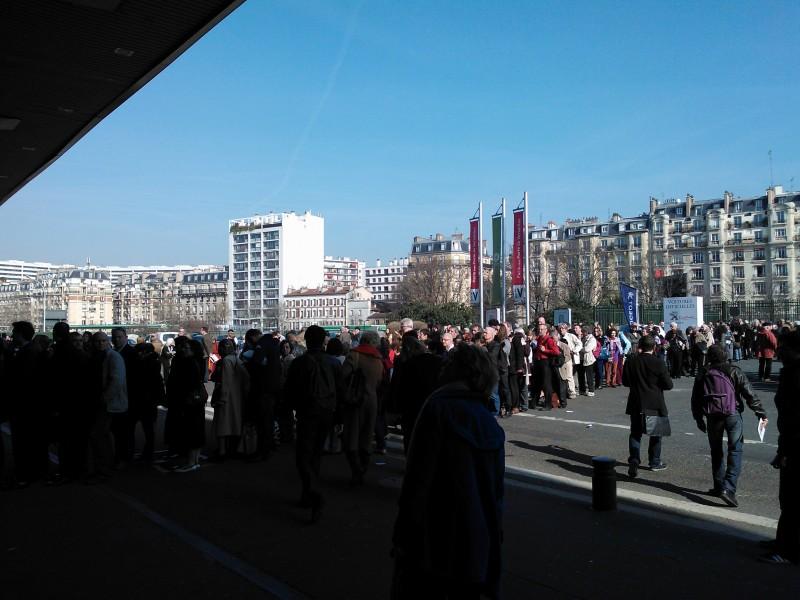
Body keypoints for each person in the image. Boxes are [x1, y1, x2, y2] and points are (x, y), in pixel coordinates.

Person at [391, 344, 504, 599]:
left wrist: (404, 531)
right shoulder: (488, 420)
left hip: (437, 531)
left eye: (449, 363)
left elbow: (418, 477)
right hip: (479, 532)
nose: (442, 367)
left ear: (461, 371)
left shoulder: (437, 408)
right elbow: (497, 488)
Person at [691, 344, 767, 507]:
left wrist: (698, 418)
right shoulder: (734, 370)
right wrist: (760, 413)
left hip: (712, 416)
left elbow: (695, 399)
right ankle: (729, 488)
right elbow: (750, 394)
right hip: (732, 414)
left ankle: (719, 486)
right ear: (725, 355)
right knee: (736, 450)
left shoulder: (703, 372)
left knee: (716, 451)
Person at [285, 325, 341, 522]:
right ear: (323, 340)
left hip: (307, 412)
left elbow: (290, 390)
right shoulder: (334, 362)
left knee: (303, 455)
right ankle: (307, 494)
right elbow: (340, 389)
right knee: (316, 453)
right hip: (327, 412)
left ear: (307, 340)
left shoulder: (300, 363)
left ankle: (312, 493)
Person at [761, 329, 800, 564]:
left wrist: (785, 451)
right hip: (790, 441)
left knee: (792, 499)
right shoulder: (791, 372)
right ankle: (783, 541)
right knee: (788, 499)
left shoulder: (795, 375)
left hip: (795, 445)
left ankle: (788, 550)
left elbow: (795, 417)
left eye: (783, 347)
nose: (778, 351)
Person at [622, 335, 673, 477]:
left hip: (636, 401)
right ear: (654, 347)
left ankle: (634, 459)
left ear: (640, 347)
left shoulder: (631, 361)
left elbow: (625, 381)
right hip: (654, 402)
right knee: (656, 434)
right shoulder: (658, 362)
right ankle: (654, 461)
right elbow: (668, 385)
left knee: (635, 433)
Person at [341, 330, 385, 485]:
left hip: (355, 400)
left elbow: (343, 375)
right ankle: (363, 468)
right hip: (372, 400)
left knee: (351, 435)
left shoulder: (355, 355)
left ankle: (356, 470)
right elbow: (380, 381)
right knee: (366, 436)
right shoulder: (379, 359)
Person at [166, 336, 207, 471]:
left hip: (190, 401)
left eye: (187, 347)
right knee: (196, 430)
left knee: (192, 430)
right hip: (196, 401)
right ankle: (194, 460)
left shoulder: (188, 363)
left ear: (193, 350)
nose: (183, 349)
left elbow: (188, 384)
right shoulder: (194, 361)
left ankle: (191, 462)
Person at [210, 338, 250, 461]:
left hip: (227, 398)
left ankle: (222, 452)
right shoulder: (237, 359)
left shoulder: (226, 361)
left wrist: (222, 397)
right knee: (234, 424)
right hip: (237, 397)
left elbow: (225, 381)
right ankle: (233, 449)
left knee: (223, 425)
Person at [529, 321, 560, 410]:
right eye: (539, 329)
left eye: (542, 329)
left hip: (546, 363)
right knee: (536, 383)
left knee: (546, 385)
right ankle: (534, 402)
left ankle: (548, 404)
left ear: (546, 330)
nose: (540, 331)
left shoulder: (549, 340)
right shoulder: (539, 339)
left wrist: (545, 350)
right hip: (538, 363)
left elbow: (556, 352)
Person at [575, 324, 597, 397]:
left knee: (589, 376)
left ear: (587, 332)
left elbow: (587, 349)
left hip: (589, 360)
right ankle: (582, 390)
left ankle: (591, 390)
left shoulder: (592, 339)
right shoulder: (583, 338)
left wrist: (579, 349)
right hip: (581, 359)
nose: (582, 333)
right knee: (580, 375)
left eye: (583, 332)